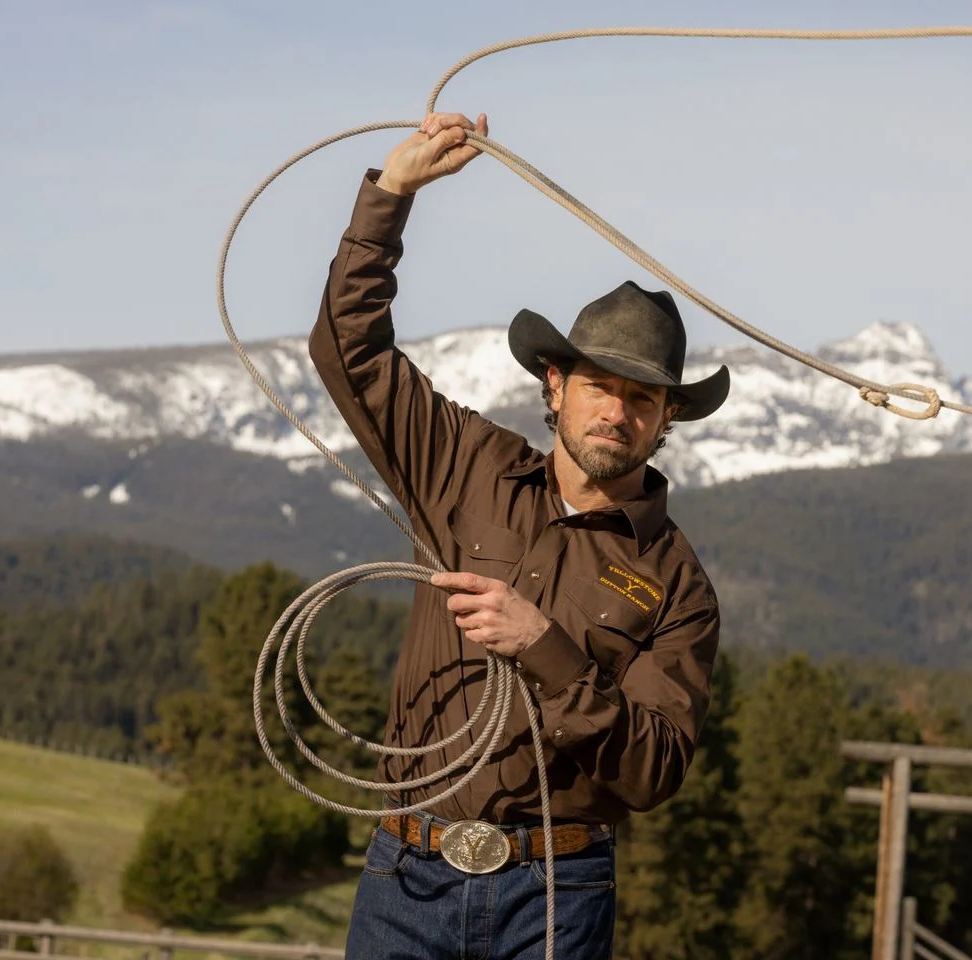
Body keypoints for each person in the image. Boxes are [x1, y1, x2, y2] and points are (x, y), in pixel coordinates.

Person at [309, 111, 729, 960]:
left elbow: (653, 773)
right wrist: (392, 196)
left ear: (665, 420)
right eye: (600, 385)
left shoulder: (678, 584)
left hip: (556, 895)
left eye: (643, 398)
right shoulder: (467, 466)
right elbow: (350, 349)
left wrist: (547, 649)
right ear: (555, 383)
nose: (618, 411)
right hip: (406, 873)